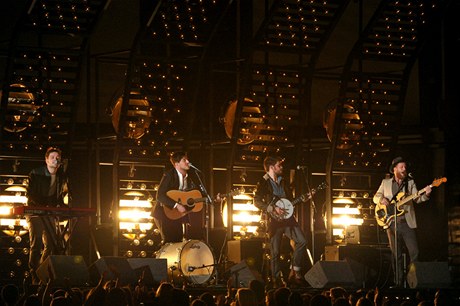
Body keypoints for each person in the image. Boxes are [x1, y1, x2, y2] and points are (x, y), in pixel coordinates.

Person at [373, 156, 431, 287]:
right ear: (395, 169)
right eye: (401, 167)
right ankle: (398, 283)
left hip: (406, 223)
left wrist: (426, 194)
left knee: (414, 252)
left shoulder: (410, 183)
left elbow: (417, 199)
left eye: (405, 167)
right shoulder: (385, 182)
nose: (404, 169)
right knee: (396, 255)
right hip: (391, 223)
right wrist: (381, 199)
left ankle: (413, 281)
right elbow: (375, 197)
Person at [253, 156, 307, 287]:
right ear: (272, 168)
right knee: (275, 252)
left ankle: (295, 270)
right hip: (274, 221)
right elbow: (256, 201)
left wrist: (301, 199)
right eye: (279, 165)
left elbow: (289, 201)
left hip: (288, 220)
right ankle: (276, 279)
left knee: (302, 241)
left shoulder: (284, 181)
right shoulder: (263, 183)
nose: (281, 167)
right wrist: (272, 208)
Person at [26, 146, 70, 285]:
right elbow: (30, 194)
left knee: (50, 244)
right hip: (35, 213)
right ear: (46, 160)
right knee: (36, 243)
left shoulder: (61, 176)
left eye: (58, 158)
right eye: (52, 158)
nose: (55, 160)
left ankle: (42, 272)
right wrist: (43, 206)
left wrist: (63, 207)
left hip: (49, 212)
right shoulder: (36, 173)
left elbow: (59, 197)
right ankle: (34, 275)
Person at [152, 151, 204, 243]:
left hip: (176, 215)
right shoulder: (169, 175)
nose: (188, 162)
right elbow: (160, 195)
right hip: (164, 212)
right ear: (176, 164)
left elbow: (195, 194)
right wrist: (176, 205)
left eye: (187, 159)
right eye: (184, 160)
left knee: (178, 241)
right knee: (169, 242)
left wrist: (213, 198)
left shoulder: (190, 177)